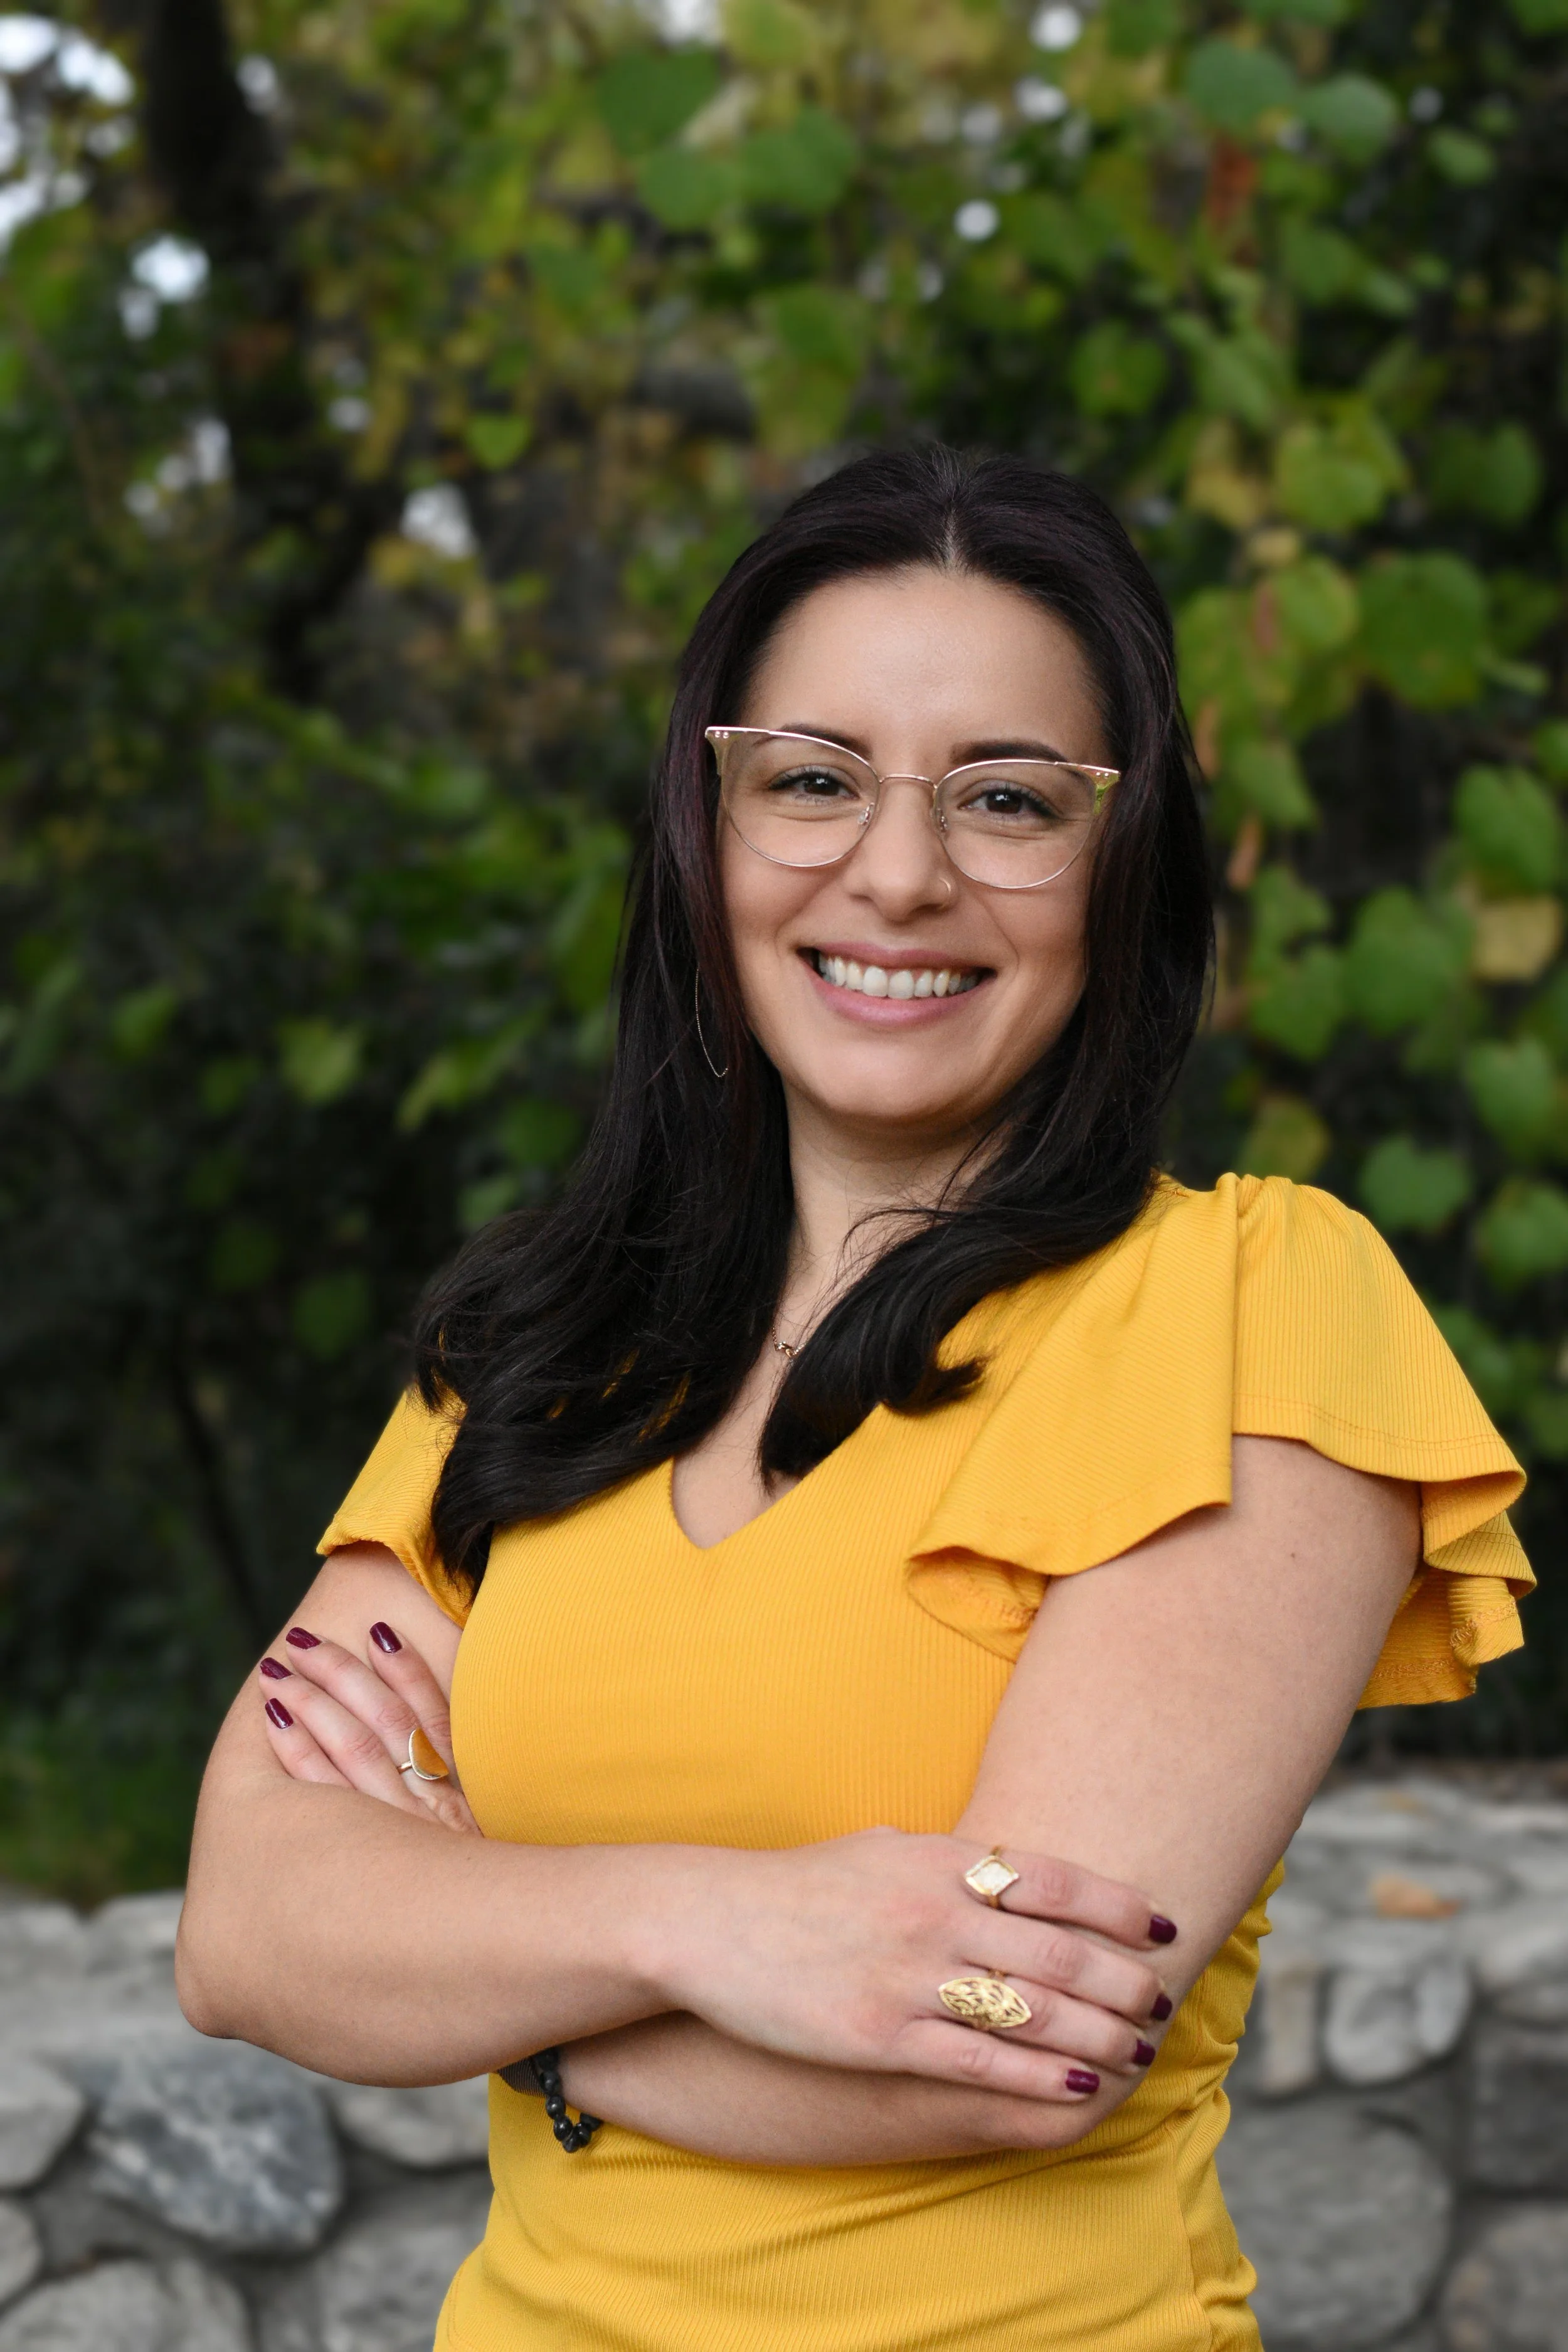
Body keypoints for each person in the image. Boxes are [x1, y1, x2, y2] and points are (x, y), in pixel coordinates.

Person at [177, 445, 1532, 2352]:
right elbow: (247, 1928)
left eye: (1005, 798)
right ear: (704, 827)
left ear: (1118, 856)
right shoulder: (540, 1342)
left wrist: (484, 1952)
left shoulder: (1246, 1308)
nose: (897, 871)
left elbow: (1002, 2045)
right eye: (812, 779)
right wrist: (713, 1931)